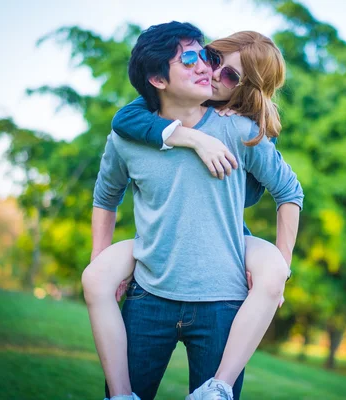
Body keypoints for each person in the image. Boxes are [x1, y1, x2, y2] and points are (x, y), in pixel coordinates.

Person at [85, 22, 303, 400]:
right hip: (149, 295)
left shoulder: (240, 129)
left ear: (244, 88)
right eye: (206, 57)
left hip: (223, 297)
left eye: (229, 74)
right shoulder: (131, 132)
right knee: (95, 279)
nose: (210, 70)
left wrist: (282, 267)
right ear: (159, 79)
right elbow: (106, 194)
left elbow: (289, 191)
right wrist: (100, 257)